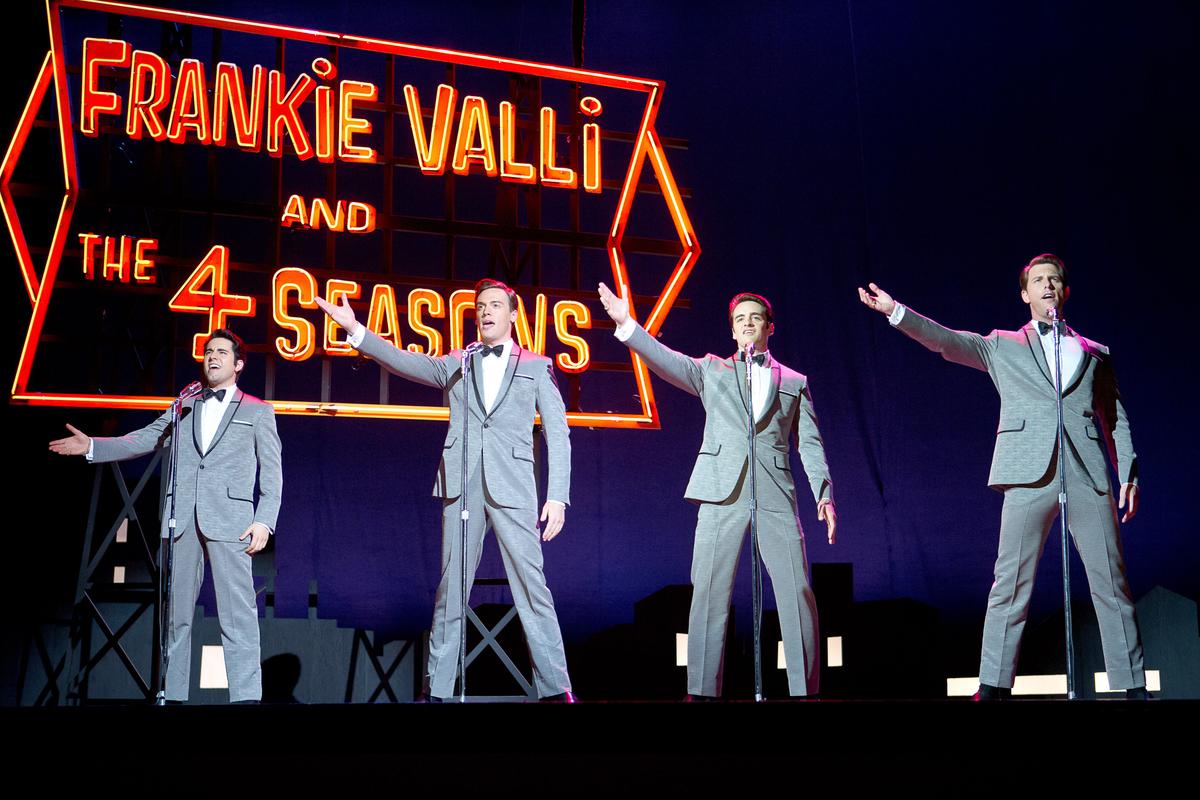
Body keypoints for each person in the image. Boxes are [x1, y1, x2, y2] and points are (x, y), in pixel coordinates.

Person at [858, 254, 1147, 699]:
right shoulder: (1002, 345)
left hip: (1088, 470)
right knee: (1010, 579)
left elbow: (1117, 418)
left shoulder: (1095, 354)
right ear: (1025, 294)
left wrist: (1127, 471)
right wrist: (897, 312)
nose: (1047, 285)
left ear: (1065, 292)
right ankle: (993, 684)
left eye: (1055, 279)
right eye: (1038, 280)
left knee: (1111, 579)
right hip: (1028, 471)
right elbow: (947, 342)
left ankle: (1131, 686)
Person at [316, 279, 575, 702]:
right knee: (450, 589)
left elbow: (558, 434)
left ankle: (555, 688)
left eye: (495, 305)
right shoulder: (460, 361)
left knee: (533, 586)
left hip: (514, 486)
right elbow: (404, 361)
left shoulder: (536, 365)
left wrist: (557, 495)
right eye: (480, 306)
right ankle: (437, 688)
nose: (486, 312)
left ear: (513, 314)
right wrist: (357, 330)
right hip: (461, 483)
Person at [598, 282, 836, 699]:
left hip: (776, 491)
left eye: (755, 318)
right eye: (740, 320)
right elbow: (666, 361)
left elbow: (810, 444)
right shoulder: (711, 369)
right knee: (708, 591)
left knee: (797, 591)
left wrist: (825, 494)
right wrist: (627, 325)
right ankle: (703, 691)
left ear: (769, 327)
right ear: (732, 331)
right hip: (720, 490)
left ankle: (806, 691)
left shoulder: (794, 382)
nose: (747, 324)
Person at [49, 329, 282, 703]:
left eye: (221, 352)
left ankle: (245, 699)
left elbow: (272, 473)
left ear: (238, 364)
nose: (212, 357)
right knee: (176, 615)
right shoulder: (185, 405)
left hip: (231, 520)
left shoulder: (257, 410)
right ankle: (172, 696)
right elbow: (144, 439)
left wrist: (264, 520)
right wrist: (93, 446)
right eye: (208, 351)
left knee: (237, 614)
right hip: (182, 517)